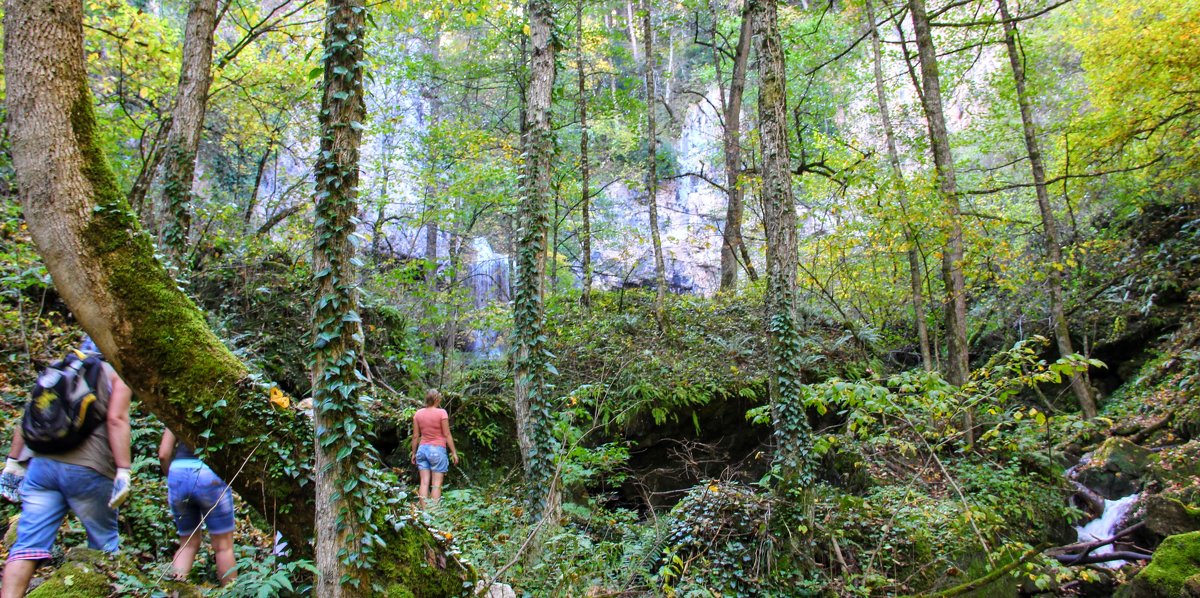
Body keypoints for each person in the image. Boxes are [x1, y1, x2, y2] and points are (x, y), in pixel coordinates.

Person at [0, 335, 132, 598]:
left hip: (42, 467)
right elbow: (116, 419)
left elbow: (31, 415)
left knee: (26, 545)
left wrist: (13, 462)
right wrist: (123, 470)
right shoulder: (116, 374)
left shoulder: (61, 367)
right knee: (103, 544)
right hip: (89, 469)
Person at [158, 429, 237, 585]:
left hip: (178, 472)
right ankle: (230, 592)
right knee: (223, 546)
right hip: (209, 472)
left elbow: (163, 454)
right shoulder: (226, 406)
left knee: (187, 544)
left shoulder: (177, 407)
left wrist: (174, 479)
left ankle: (175, 593)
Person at [410, 389, 458, 508]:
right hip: (437, 450)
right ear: (437, 399)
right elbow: (447, 434)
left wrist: (413, 453)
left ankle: (425, 512)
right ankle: (434, 513)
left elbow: (416, 435)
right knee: (436, 484)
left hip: (422, 450)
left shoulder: (418, 413)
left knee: (424, 482)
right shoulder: (442, 413)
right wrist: (454, 452)